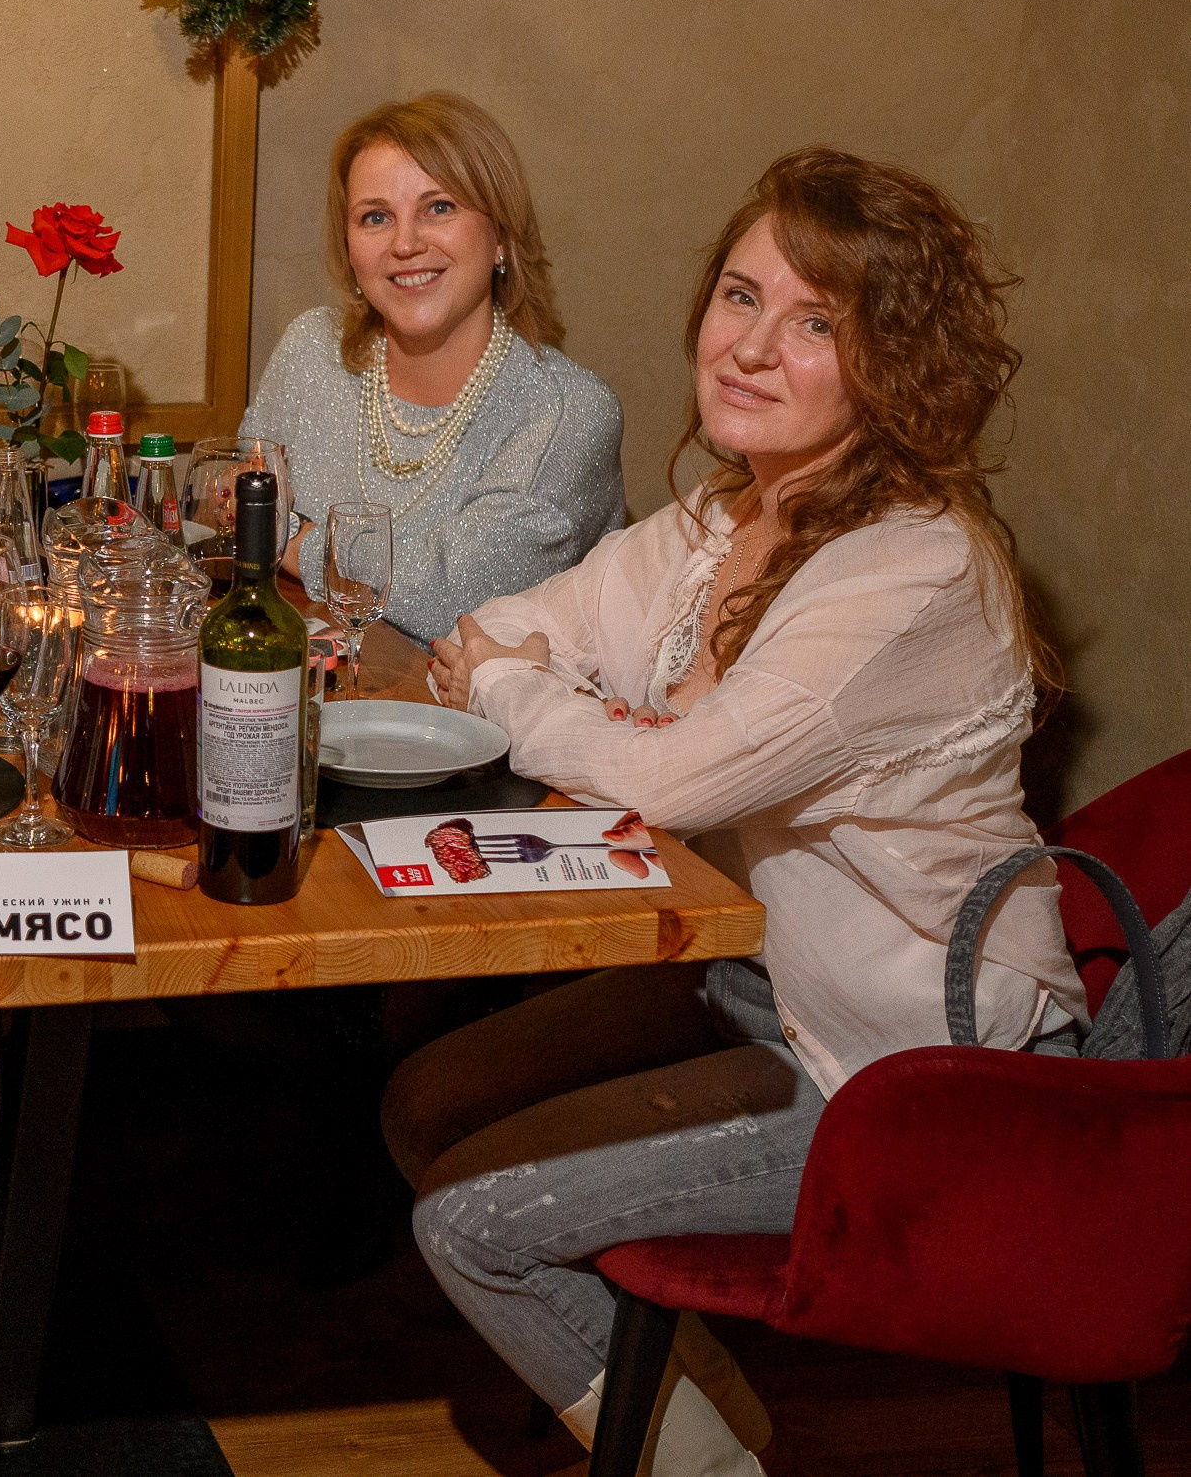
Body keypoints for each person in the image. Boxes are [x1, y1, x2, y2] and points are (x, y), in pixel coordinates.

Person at [385, 148, 1087, 1475]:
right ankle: (701, 1413)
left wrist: (571, 718)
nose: (751, 345)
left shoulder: (913, 565)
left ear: (896, 362)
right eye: (739, 295)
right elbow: (518, 623)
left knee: (471, 1221)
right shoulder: (729, 510)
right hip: (758, 982)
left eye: (817, 322)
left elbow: (664, 779)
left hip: (915, 1070)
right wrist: (576, 705)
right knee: (433, 1095)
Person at [241, 91, 623, 640]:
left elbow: (454, 601)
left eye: (438, 208)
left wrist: (289, 539)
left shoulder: (569, 415)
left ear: (502, 239)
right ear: (349, 250)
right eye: (375, 217)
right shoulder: (311, 351)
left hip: (468, 721)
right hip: (297, 693)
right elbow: (234, 494)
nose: (405, 243)